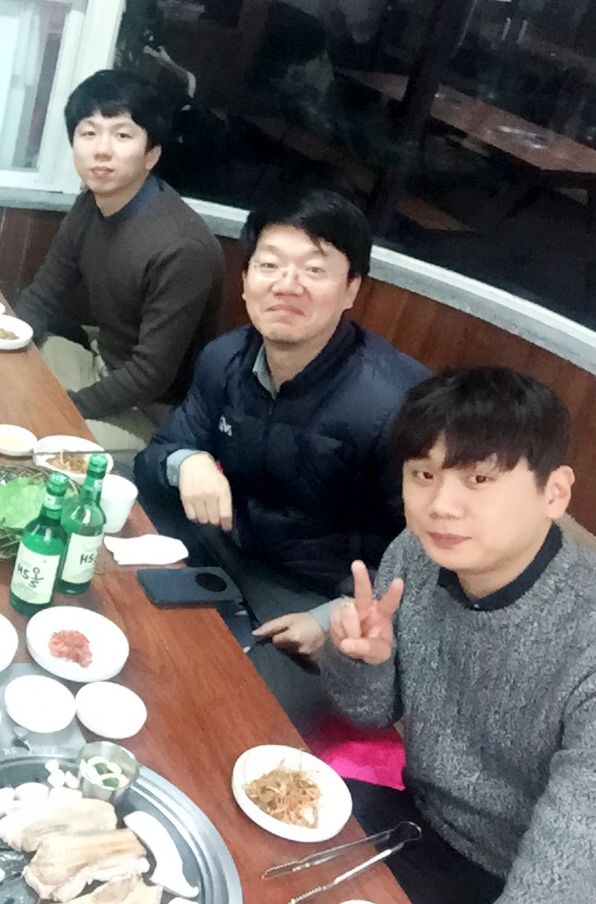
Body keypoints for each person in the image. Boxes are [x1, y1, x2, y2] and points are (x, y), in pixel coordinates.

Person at [134, 187, 428, 730]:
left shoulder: (398, 405)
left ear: (351, 289)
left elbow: (433, 553)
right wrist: (187, 461)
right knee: (117, 609)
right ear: (246, 280)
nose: (287, 285)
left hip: (316, 598)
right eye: (269, 265)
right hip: (224, 546)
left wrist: (336, 615)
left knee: (229, 720)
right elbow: (153, 457)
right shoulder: (226, 358)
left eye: (314, 270)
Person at [322, 367, 595, 904]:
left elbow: (572, 866)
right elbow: (370, 713)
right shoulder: (416, 554)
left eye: (478, 478)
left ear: (555, 492)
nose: (440, 505)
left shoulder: (584, 636)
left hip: (513, 881)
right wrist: (363, 661)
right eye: (424, 474)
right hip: (418, 822)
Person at [14, 68, 224, 450]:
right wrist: (4, 342)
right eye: (89, 133)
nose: (102, 150)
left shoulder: (181, 247)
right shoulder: (92, 203)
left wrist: (66, 406)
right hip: (100, 366)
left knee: (34, 435)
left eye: (122, 135)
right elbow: (43, 295)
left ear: (151, 154)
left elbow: (150, 377)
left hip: (153, 412)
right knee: (7, 374)